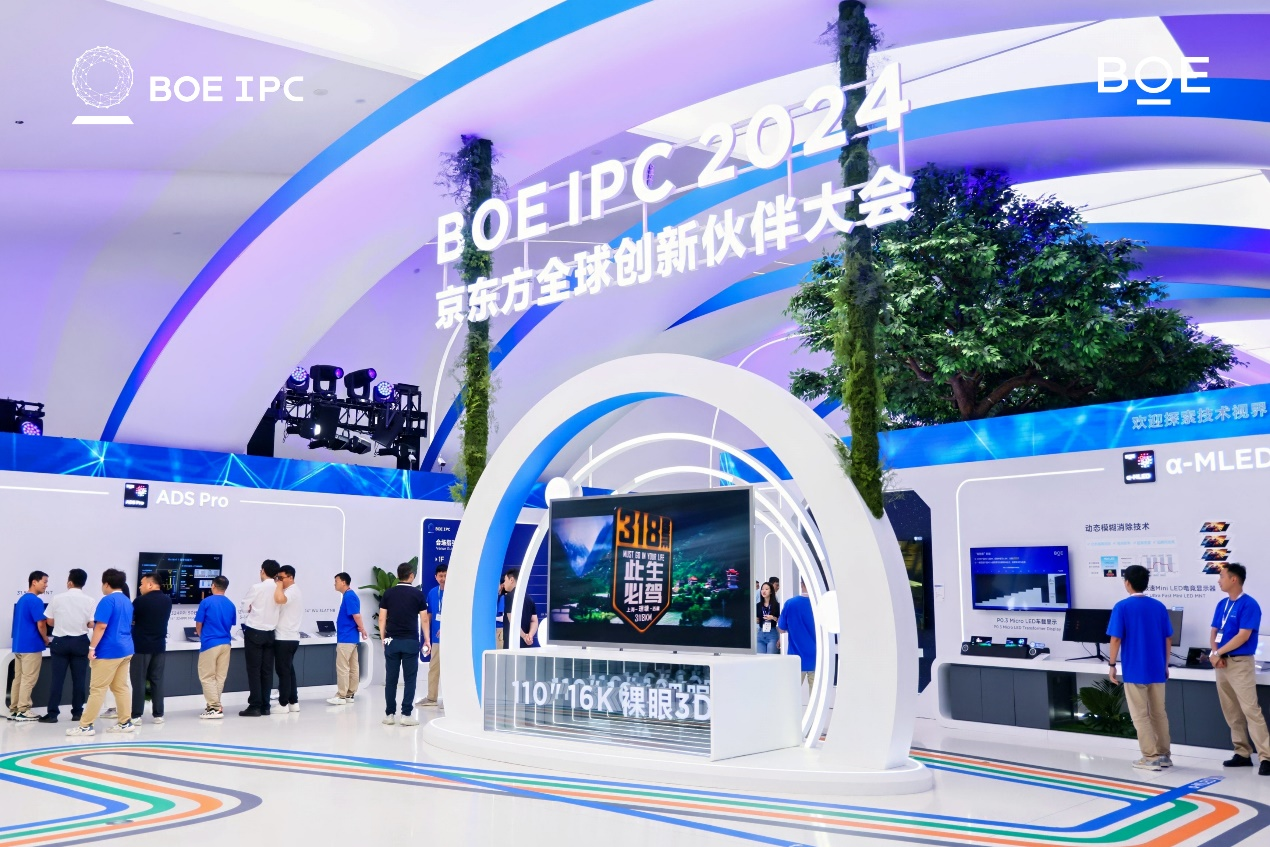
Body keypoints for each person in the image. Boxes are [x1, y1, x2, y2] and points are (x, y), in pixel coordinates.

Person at [1107, 564, 1174, 771]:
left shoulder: (1122, 607)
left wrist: (1112, 665)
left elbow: (1116, 639)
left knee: (1140, 716)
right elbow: (1168, 638)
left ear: (1127, 583)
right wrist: (1165, 664)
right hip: (1157, 669)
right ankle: (1164, 755)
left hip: (1135, 670)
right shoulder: (1159, 606)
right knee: (1159, 714)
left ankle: (1150, 757)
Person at [1210, 563, 1270, 774]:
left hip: (1240, 663)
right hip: (1221, 663)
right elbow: (1214, 631)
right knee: (1231, 710)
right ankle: (1242, 753)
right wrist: (1215, 653)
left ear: (1234, 579)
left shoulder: (1249, 604)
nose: (1219, 580)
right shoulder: (1222, 604)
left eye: (1222, 576)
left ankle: (1266, 756)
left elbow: (1243, 636)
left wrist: (1219, 653)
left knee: (1251, 710)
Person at [68, 569, 135, 736]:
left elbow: (101, 626)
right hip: (126, 649)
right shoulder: (127, 601)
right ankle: (125, 722)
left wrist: (92, 648)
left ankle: (85, 726)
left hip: (108, 651)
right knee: (121, 687)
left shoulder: (107, 600)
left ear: (106, 584)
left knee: (97, 689)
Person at [40, 568, 97, 723]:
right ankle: (77, 713)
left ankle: (52, 714)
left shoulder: (57, 598)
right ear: (83, 583)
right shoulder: (90, 600)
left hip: (60, 642)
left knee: (57, 680)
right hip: (80, 642)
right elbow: (91, 623)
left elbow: (49, 621)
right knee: (79, 680)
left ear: (69, 582)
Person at [378, 562, 430, 726]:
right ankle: (406, 714)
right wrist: (427, 639)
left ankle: (389, 714)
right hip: (410, 641)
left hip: (391, 641)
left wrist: (383, 638)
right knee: (410, 679)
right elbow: (424, 619)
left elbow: (382, 618)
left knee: (391, 679)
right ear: (411, 576)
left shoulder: (388, 593)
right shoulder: (418, 594)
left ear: (398, 575)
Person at [239, 559, 284, 717]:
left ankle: (255, 706)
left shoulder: (256, 587)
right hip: (270, 633)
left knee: (254, 670)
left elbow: (244, 606)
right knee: (267, 671)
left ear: (263, 571)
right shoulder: (279, 589)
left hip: (255, 632)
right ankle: (265, 706)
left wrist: (252, 608)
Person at [130, 571, 172, 724]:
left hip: (141, 646)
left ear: (150, 584)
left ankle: (136, 715)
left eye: (141, 584)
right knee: (157, 680)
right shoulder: (167, 600)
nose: (140, 587)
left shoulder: (139, 601)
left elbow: (131, 620)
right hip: (159, 646)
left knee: (139, 681)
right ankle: (158, 714)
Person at [8, 570, 50, 721]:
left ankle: (14, 709)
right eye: (44, 582)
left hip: (19, 645)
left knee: (18, 679)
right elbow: (41, 624)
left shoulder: (22, 600)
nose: (46, 585)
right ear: (34, 582)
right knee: (28, 679)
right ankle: (23, 710)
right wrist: (45, 638)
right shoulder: (35, 601)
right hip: (31, 646)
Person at [195, 576, 236, 719]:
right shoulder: (230, 604)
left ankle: (214, 707)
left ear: (213, 585)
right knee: (220, 677)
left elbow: (199, 624)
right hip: (226, 643)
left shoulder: (206, 602)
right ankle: (216, 705)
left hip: (210, 643)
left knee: (207, 676)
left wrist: (202, 636)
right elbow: (230, 624)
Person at [328, 572, 366, 705]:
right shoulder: (349, 595)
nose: (334, 584)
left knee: (343, 667)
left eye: (336, 581)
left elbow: (357, 615)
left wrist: (362, 629)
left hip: (346, 638)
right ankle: (350, 694)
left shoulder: (349, 596)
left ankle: (341, 695)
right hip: (351, 638)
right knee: (353, 667)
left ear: (343, 582)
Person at [274, 565, 303, 713]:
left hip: (285, 638)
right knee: (289, 671)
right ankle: (293, 701)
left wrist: (278, 585)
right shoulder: (291, 591)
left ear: (291, 577)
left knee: (283, 671)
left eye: (281, 578)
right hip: (289, 637)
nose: (279, 580)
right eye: (277, 578)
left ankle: (283, 704)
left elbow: (280, 599)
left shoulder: (292, 591)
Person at [777, 580, 816, 689]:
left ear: (801, 584)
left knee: (792, 693)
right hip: (817, 657)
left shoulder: (790, 603)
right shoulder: (818, 605)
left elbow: (781, 629)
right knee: (816, 696)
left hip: (796, 658)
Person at [417, 563, 446, 707]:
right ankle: (431, 698)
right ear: (436, 577)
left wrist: (446, 628)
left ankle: (451, 700)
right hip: (436, 639)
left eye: (445, 575)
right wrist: (426, 637)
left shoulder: (454, 593)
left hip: (452, 640)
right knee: (434, 667)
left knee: (451, 669)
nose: (443, 578)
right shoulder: (433, 593)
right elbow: (428, 616)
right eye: (440, 576)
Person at [501, 570, 538, 648]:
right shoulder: (529, 599)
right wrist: (529, 636)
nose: (503, 583)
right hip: (526, 645)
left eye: (505, 580)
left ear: (511, 580)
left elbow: (512, 620)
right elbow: (534, 620)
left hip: (512, 644)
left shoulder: (509, 597)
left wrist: (524, 636)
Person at [756, 581, 781, 654]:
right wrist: (756, 620)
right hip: (760, 633)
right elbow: (757, 619)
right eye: (762, 589)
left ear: (771, 592)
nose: (764, 591)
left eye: (766, 589)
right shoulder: (758, 605)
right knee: (760, 658)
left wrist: (773, 618)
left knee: (771, 657)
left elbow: (781, 621)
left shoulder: (777, 605)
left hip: (772, 633)